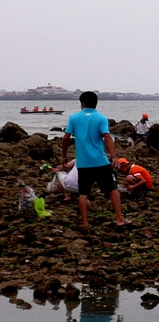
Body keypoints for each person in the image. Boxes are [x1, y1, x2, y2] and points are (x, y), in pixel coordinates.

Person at [61, 91, 130, 228]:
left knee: (83, 192)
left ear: (82, 103)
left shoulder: (74, 118)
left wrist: (64, 155)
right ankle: (120, 219)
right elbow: (107, 137)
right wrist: (114, 156)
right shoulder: (101, 118)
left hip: (83, 163)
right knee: (113, 188)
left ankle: (85, 223)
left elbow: (66, 138)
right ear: (95, 103)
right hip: (100, 162)